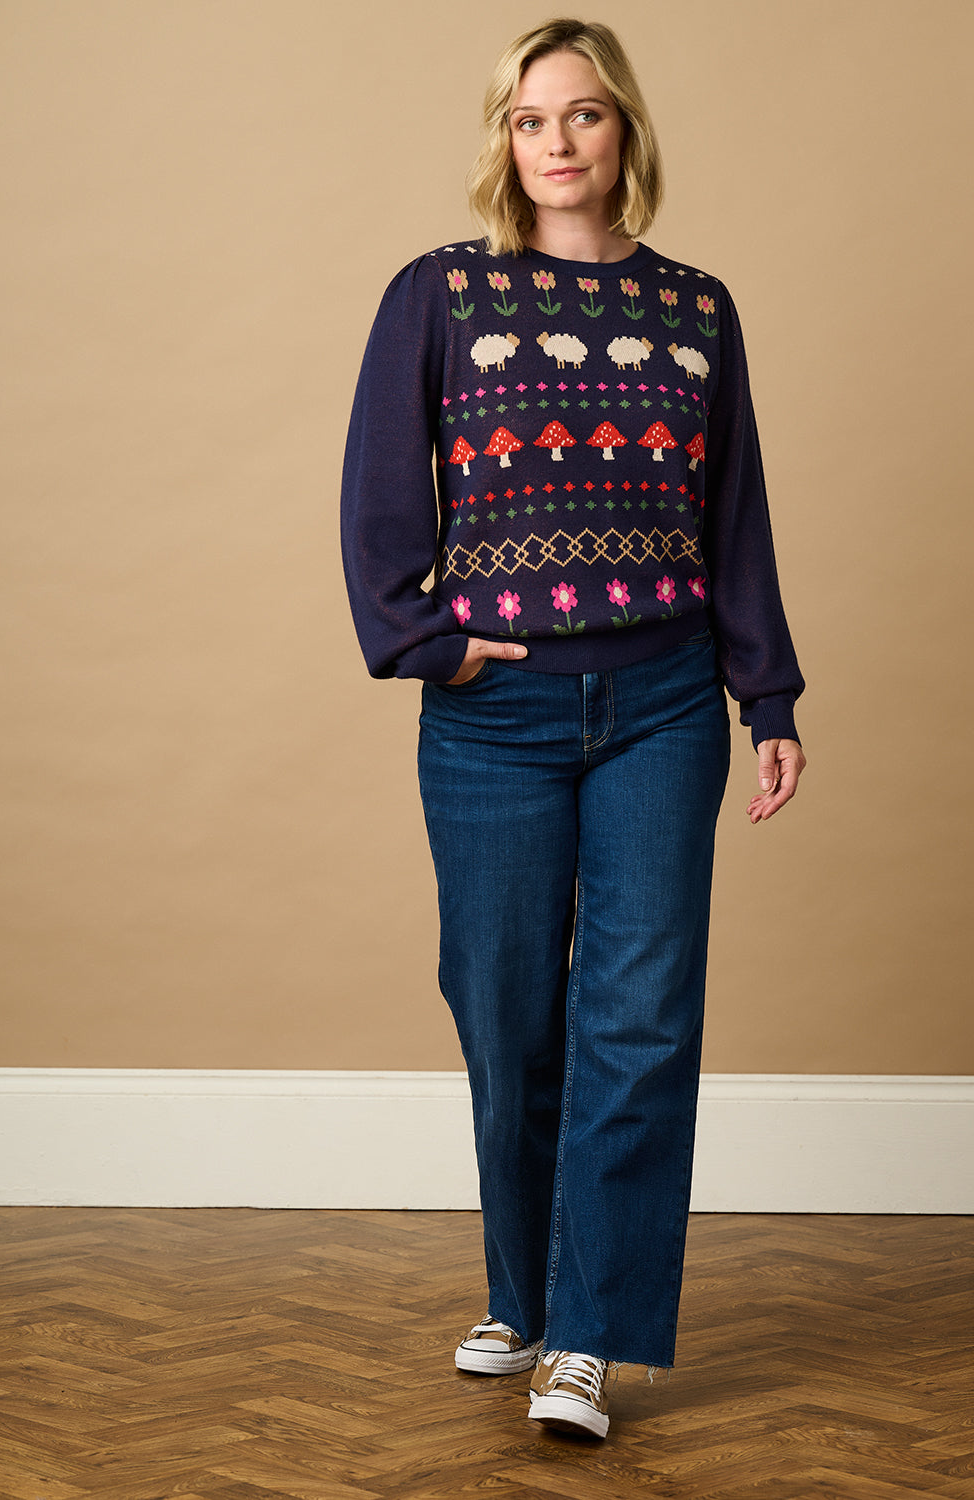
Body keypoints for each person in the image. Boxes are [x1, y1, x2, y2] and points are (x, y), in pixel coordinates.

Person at [341, 17, 806, 1441]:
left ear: (625, 136)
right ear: (505, 141)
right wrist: (423, 638)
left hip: (665, 700)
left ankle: (586, 1339)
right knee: (504, 1008)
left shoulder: (698, 309)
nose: (558, 141)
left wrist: (765, 691)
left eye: (585, 115)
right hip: (497, 714)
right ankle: (522, 1292)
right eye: (530, 118)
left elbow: (734, 522)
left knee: (641, 1016)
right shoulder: (442, 293)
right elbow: (374, 484)